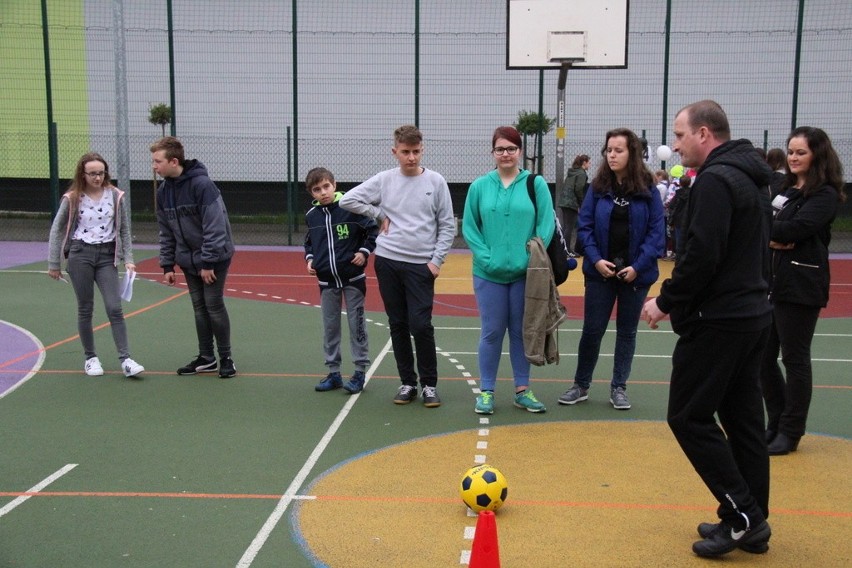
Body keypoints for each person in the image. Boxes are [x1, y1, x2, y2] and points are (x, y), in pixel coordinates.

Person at [641, 100, 773, 557]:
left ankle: (743, 517)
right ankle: (751, 517)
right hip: (752, 314)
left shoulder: (717, 180)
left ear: (703, 134)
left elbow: (702, 256)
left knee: (688, 416)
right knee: (743, 421)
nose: (674, 146)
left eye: (679, 136)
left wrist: (666, 301)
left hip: (720, 321)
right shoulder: (751, 176)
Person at [339, 125, 455, 407]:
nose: (411, 157)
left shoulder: (436, 182)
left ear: (422, 149)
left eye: (416, 152)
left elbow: (448, 225)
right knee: (398, 324)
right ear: (395, 152)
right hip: (389, 262)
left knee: (421, 324)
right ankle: (407, 383)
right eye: (405, 152)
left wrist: (436, 261)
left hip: (421, 266)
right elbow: (349, 199)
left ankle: (429, 385)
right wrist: (377, 214)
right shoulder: (384, 180)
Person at [558, 128, 664, 411]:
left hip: (635, 275)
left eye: (619, 150)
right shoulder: (598, 187)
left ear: (633, 154)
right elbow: (586, 228)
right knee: (592, 330)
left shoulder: (648, 189)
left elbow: (656, 234)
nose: (612, 155)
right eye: (609, 150)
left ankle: (619, 387)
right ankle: (581, 385)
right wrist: (595, 260)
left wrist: (637, 267)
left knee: (627, 332)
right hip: (600, 274)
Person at [760, 127, 846, 456]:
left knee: (794, 358)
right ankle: (776, 421)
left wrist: (776, 233)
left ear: (817, 155)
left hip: (800, 285)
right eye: (791, 151)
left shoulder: (824, 194)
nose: (794, 158)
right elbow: (770, 226)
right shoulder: (783, 187)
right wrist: (775, 236)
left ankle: (791, 432)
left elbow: (796, 229)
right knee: (761, 358)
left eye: (801, 152)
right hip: (771, 281)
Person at [462, 126, 554, 415]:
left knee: (520, 332)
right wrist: (486, 257)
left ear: (520, 152)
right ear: (493, 152)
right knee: (491, 332)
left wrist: (531, 256)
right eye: (500, 149)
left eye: (511, 149)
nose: (506, 154)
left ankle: (522, 390)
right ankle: (486, 391)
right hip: (488, 273)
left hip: (524, 274)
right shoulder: (479, 186)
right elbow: (470, 227)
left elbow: (546, 225)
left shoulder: (535, 184)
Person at [47, 153, 145, 378]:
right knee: (85, 308)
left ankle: (126, 359)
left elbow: (124, 230)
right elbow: (57, 229)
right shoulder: (72, 198)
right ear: (83, 174)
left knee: (114, 307)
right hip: (80, 255)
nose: (97, 177)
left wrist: (128, 259)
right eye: (92, 173)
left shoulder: (115, 196)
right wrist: (54, 263)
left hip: (106, 257)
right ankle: (90, 358)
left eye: (101, 173)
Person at [152, 136, 237, 379]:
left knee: (213, 304)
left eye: (158, 161)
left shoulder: (202, 185)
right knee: (199, 307)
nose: (154, 166)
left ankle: (226, 358)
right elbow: (165, 229)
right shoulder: (163, 192)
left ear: (174, 161)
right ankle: (206, 358)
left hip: (214, 257)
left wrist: (208, 262)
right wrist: (167, 263)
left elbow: (215, 226)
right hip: (188, 260)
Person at [304, 167, 379, 394]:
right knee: (330, 327)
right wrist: (310, 259)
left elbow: (372, 231)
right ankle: (334, 372)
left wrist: (364, 251)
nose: (323, 192)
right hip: (327, 281)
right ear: (311, 193)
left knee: (356, 325)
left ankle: (359, 372)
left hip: (353, 278)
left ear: (334, 185)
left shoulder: (350, 208)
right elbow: (309, 243)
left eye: (326, 186)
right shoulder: (312, 217)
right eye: (317, 189)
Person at [558, 154, 591, 255]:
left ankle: (563, 249)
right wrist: (581, 204)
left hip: (564, 201)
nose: (589, 165)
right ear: (584, 163)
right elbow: (578, 189)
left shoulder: (572, 172)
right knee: (570, 227)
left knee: (566, 226)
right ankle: (567, 250)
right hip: (571, 202)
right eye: (589, 163)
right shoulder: (582, 174)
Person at [668, 174, 692, 257]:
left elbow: (672, 206)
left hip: (678, 219)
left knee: (678, 239)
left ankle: (679, 256)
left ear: (680, 183)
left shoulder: (678, 194)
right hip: (690, 218)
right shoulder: (693, 193)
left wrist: (671, 219)